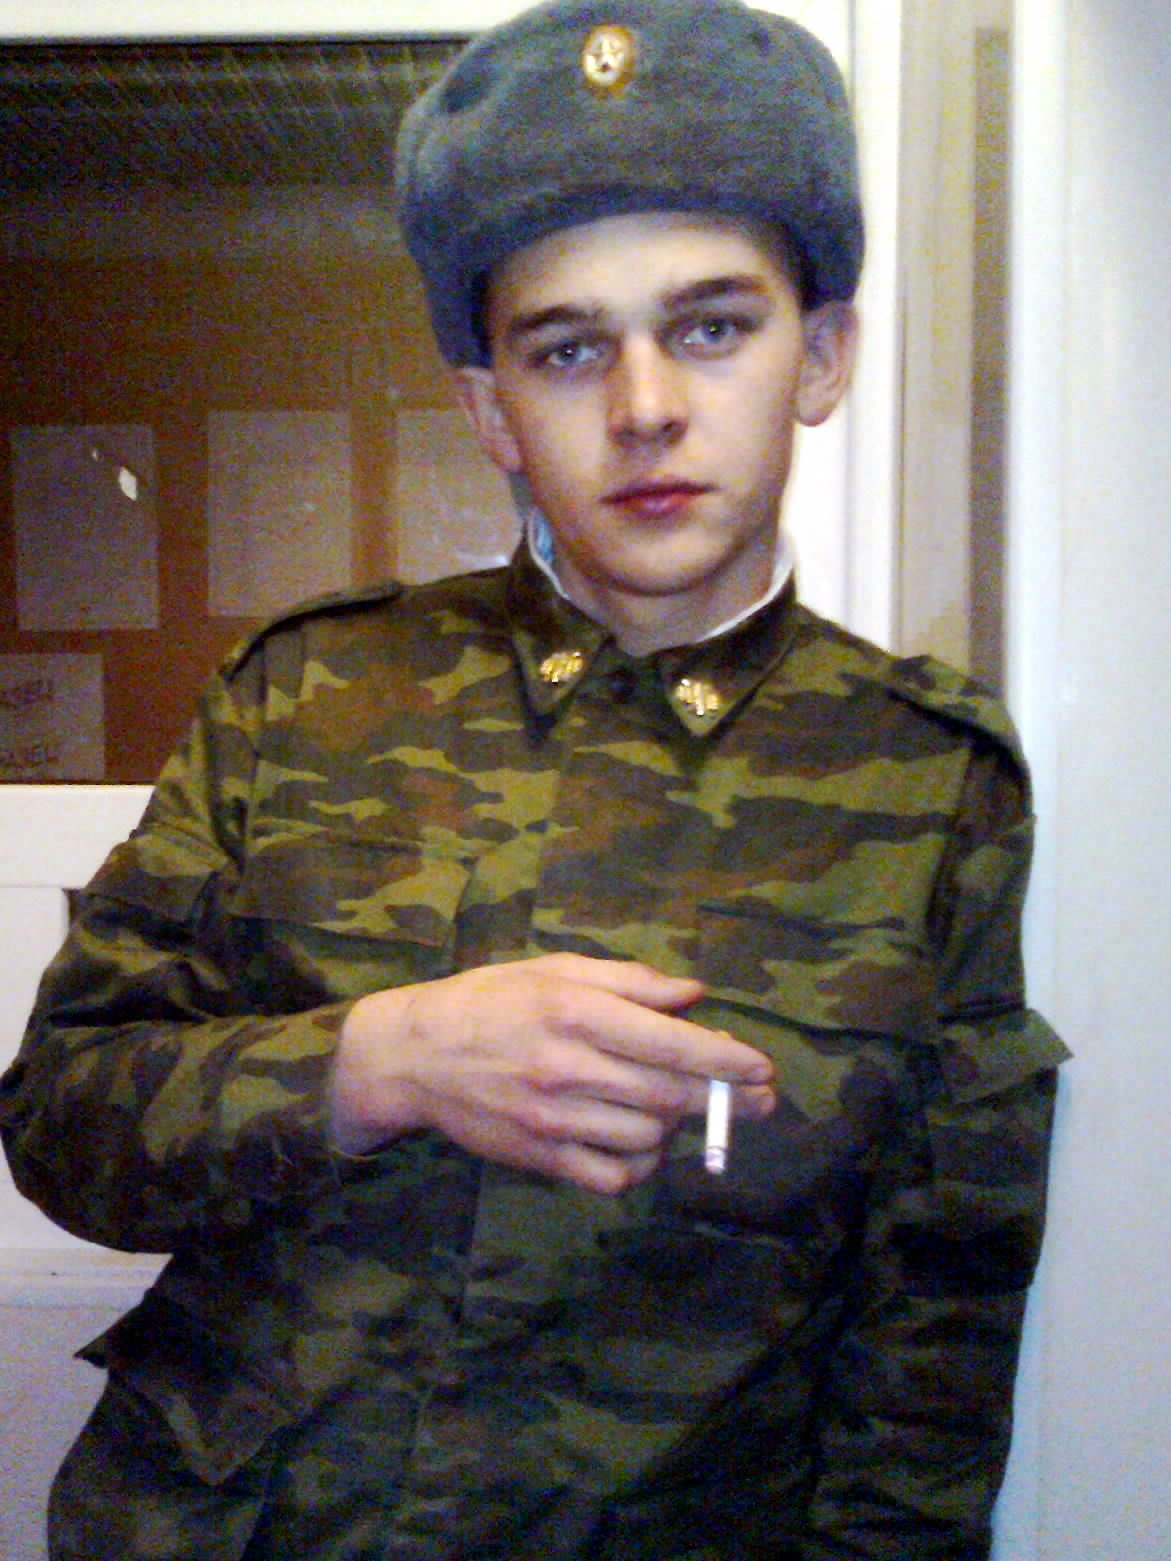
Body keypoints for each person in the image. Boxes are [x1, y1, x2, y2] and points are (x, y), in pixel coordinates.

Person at [0, 2, 1067, 1557]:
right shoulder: (307, 696)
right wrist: (380, 1060)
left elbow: (933, 1342)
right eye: (568, 349)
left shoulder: (928, 780)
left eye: (712, 326)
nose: (644, 406)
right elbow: (64, 1121)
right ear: (493, 409)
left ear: (822, 355)